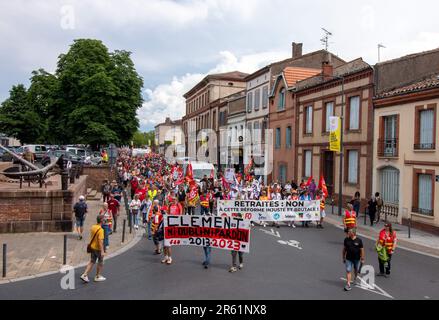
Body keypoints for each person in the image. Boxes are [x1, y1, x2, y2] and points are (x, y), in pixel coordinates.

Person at [80, 215, 106, 283]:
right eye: (104, 220)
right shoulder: (101, 230)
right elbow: (100, 242)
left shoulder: (93, 227)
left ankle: (85, 274)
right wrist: (102, 251)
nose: (104, 221)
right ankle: (98, 276)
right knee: (100, 262)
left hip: (92, 247)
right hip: (98, 249)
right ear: (101, 221)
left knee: (92, 261)